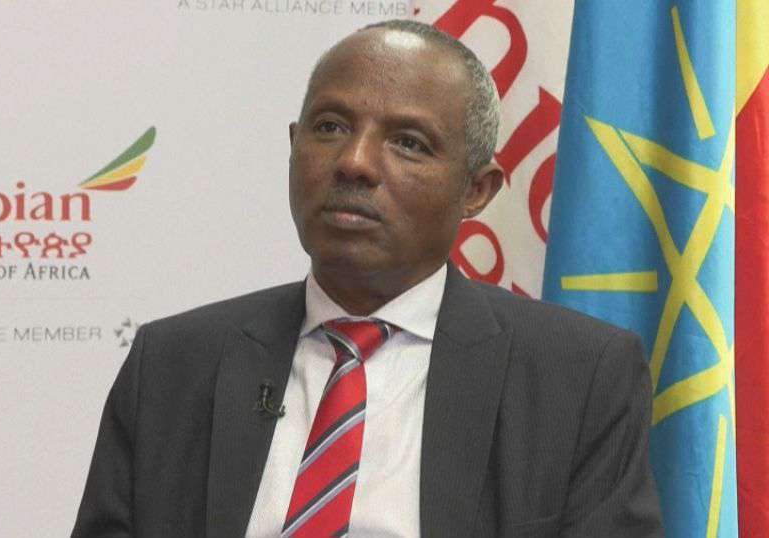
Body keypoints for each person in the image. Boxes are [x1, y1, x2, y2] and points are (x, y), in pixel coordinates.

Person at [71, 19, 664, 538]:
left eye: (409, 143)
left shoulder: (579, 377)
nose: (354, 163)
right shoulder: (173, 363)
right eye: (330, 127)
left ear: (476, 191)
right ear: (293, 146)